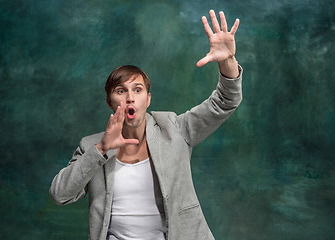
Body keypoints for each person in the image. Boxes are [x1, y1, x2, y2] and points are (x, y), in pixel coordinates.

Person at [50, 9, 243, 240]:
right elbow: (60, 195)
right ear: (110, 102)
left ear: (148, 99)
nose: (130, 97)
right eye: (121, 91)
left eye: (138, 90)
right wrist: (101, 150)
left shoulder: (175, 129)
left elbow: (224, 102)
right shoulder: (91, 146)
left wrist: (228, 61)